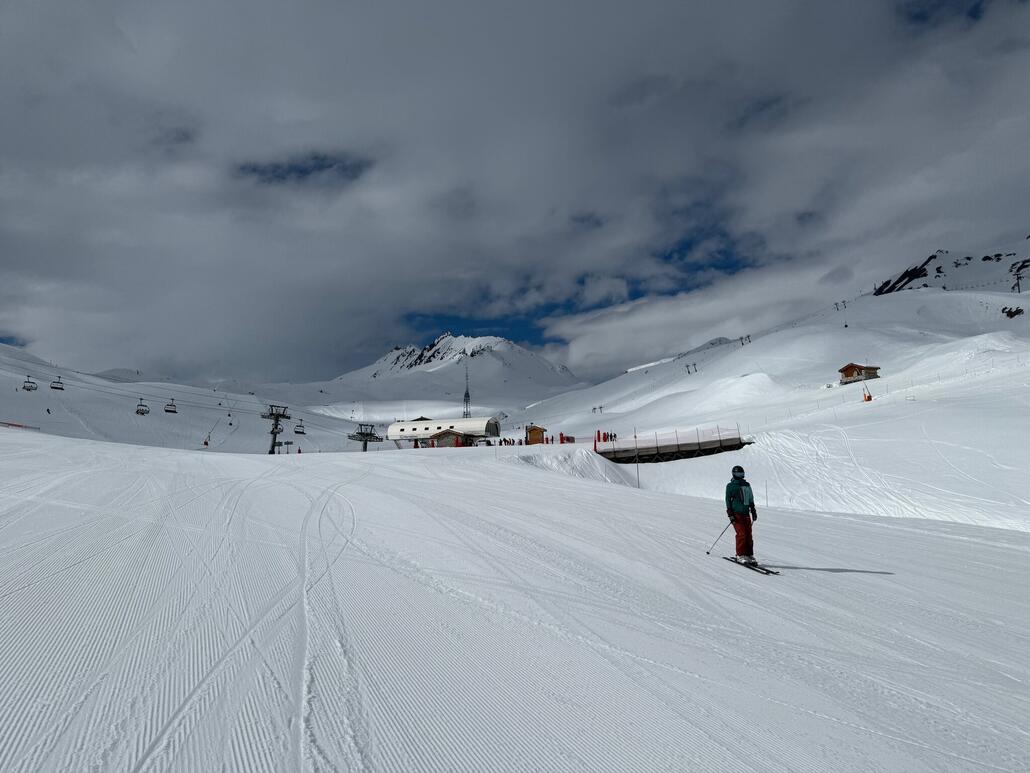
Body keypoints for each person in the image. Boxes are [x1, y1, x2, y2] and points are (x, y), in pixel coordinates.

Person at [725, 465, 758, 565]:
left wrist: (753, 510)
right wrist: (730, 514)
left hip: (746, 513)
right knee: (741, 534)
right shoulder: (730, 486)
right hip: (736, 513)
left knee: (748, 534)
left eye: (741, 474)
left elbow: (751, 498)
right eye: (738, 474)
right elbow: (727, 500)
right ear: (733, 474)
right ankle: (740, 555)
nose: (740, 475)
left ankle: (749, 554)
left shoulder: (746, 484)